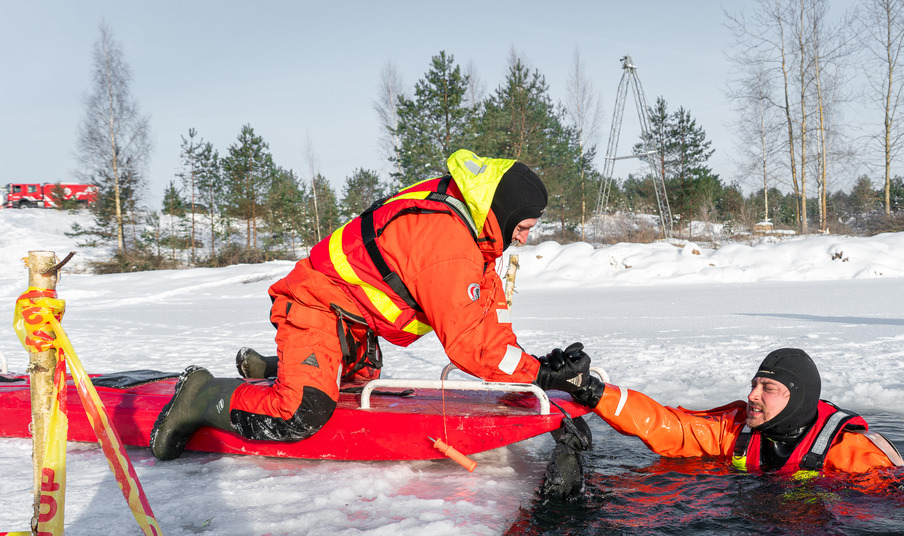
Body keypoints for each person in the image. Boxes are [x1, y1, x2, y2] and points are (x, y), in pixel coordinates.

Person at [150, 149, 590, 460]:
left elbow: (487, 321)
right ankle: (201, 395)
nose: (524, 237)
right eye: (525, 226)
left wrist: (533, 365)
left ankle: (291, 364)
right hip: (315, 304)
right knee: (303, 412)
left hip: (352, 319)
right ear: (503, 211)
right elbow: (470, 344)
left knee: (362, 377)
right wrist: (540, 376)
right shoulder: (449, 244)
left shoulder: (476, 232)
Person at [561, 348, 903, 475]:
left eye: (767, 389)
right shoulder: (737, 432)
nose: (752, 395)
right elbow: (668, 427)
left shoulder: (851, 451)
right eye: (754, 384)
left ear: (797, 399)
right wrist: (593, 392)